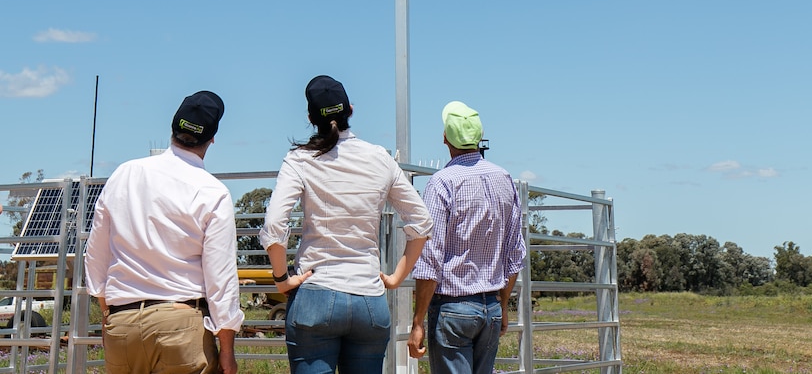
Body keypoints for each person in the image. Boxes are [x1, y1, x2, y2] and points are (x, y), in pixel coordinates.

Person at [260, 75, 432, 374]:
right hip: (369, 298)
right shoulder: (379, 158)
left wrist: (281, 278)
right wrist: (395, 277)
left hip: (316, 293)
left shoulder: (300, 159)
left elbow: (275, 224)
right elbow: (421, 221)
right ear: (350, 110)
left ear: (311, 118)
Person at [85, 91, 244, 374]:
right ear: (212, 138)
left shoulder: (124, 174)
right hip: (181, 324)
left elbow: (96, 252)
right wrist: (227, 351)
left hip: (123, 323)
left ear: (172, 128)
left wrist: (106, 310)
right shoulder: (213, 192)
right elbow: (221, 279)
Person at [409, 101, 527, 374]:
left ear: (445, 138)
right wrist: (503, 305)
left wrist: (418, 322)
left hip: (452, 306)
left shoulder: (442, 182)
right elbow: (514, 253)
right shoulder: (504, 178)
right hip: (491, 306)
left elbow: (430, 258)